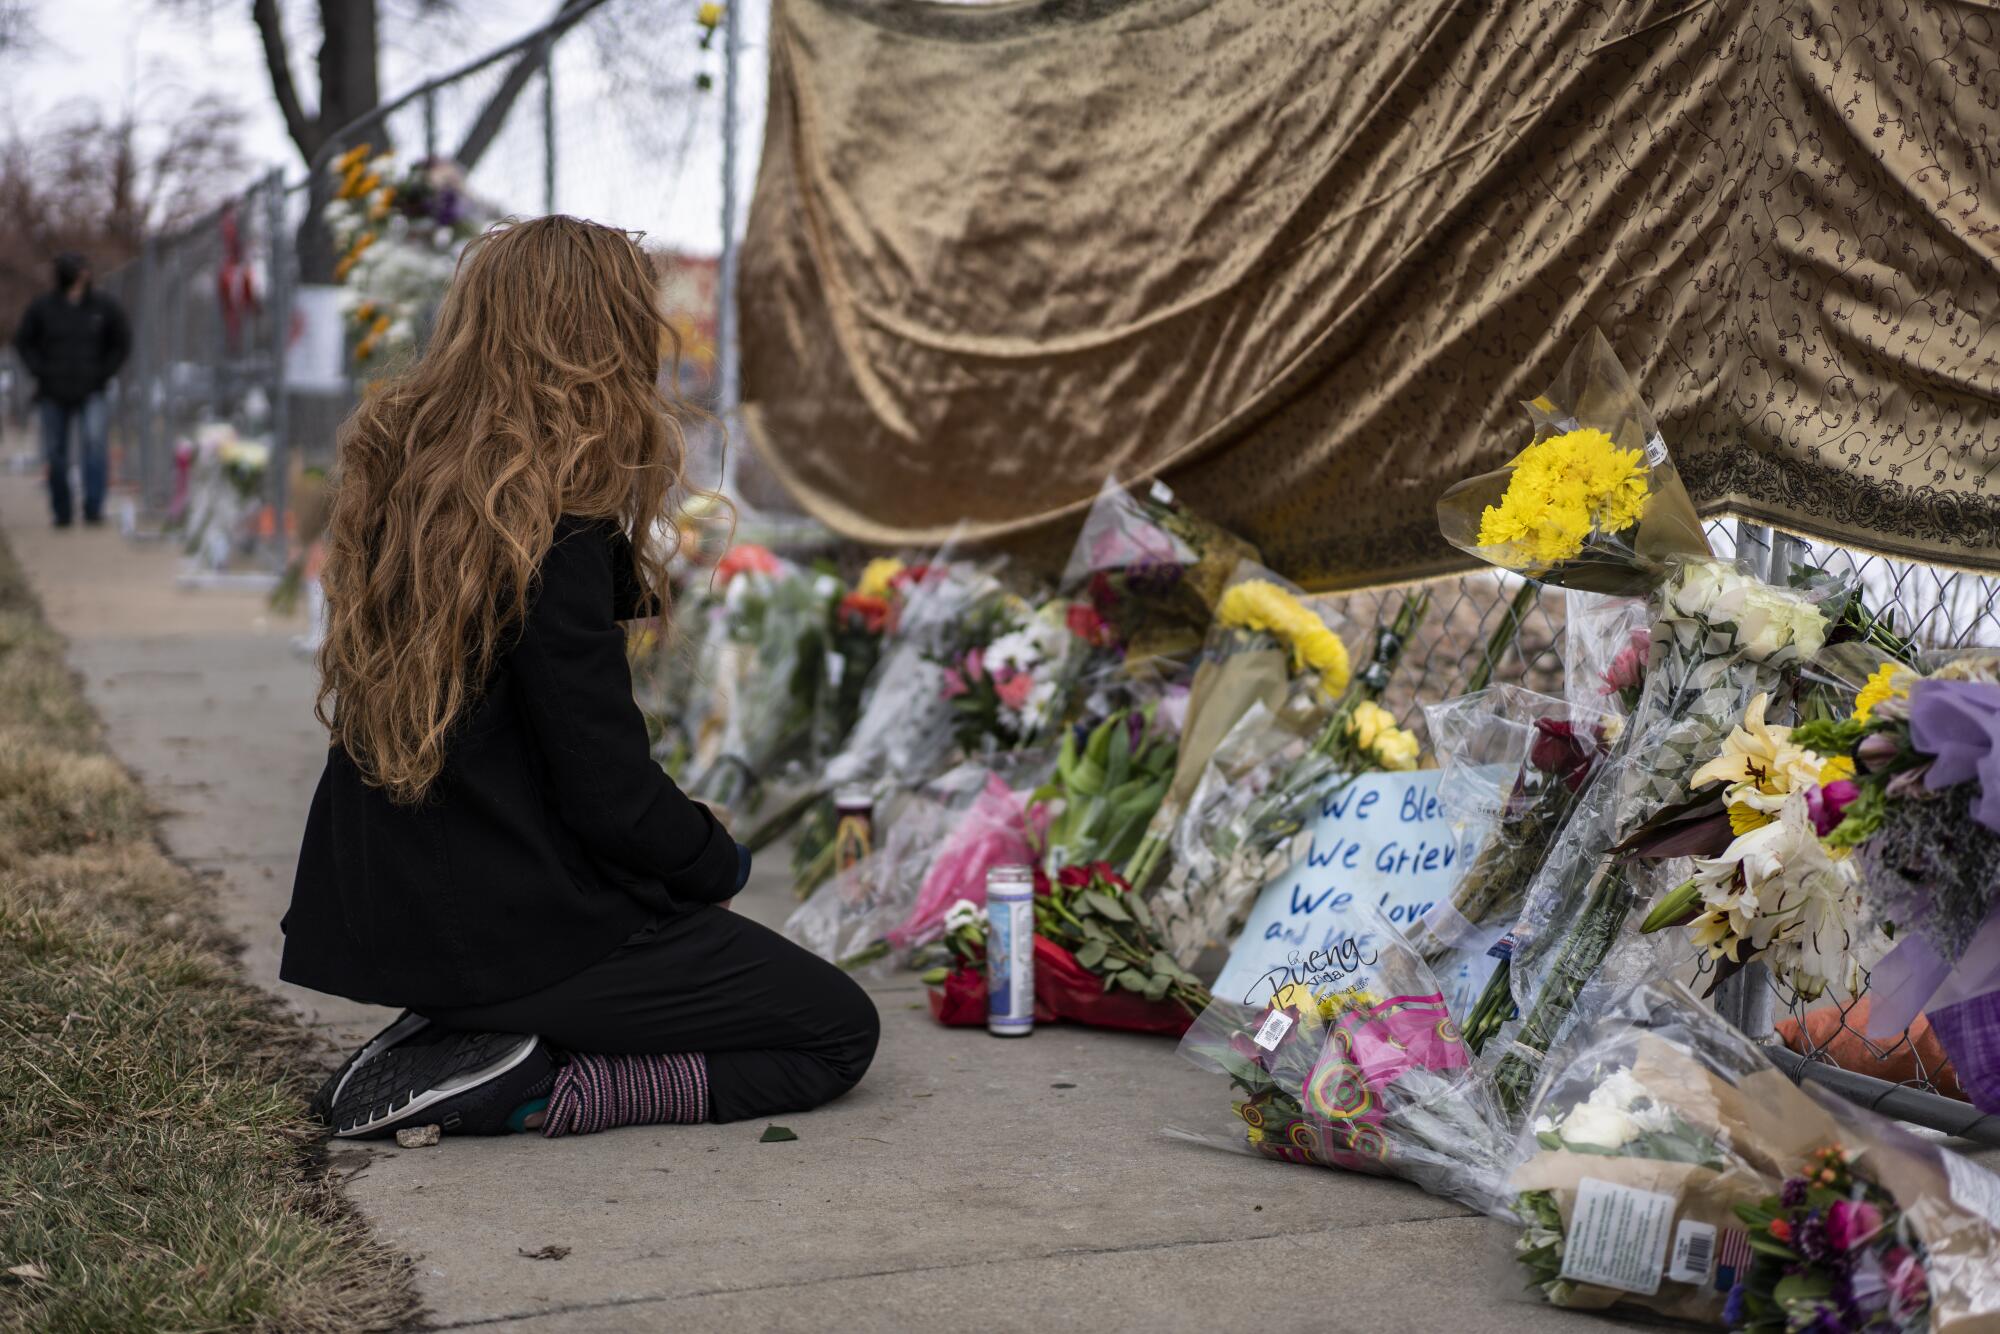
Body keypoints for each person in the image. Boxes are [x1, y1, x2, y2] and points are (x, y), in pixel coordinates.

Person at [282, 216, 879, 1141]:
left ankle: (469, 1037)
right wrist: (713, 859)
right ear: (599, 344)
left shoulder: (412, 488)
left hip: (396, 911)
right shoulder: (550, 526)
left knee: (690, 937)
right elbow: (603, 786)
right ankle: (532, 1083)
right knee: (836, 1032)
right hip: (512, 924)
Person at [11, 252, 131, 527]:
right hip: (53, 390)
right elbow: (23, 342)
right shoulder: (43, 308)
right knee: (55, 451)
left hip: (92, 388)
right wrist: (40, 371)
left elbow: (122, 341)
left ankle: (93, 507)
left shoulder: (103, 307)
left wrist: (104, 372)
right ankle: (62, 511)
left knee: (95, 444)